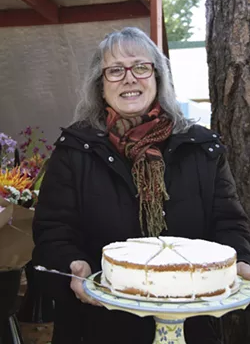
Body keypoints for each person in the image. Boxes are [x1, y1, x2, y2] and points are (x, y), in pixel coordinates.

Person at [32, 27, 250, 344]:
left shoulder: (201, 148)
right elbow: (53, 230)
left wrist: (240, 259)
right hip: (97, 326)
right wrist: (71, 265)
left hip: (189, 324)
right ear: (100, 84)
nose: (129, 78)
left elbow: (230, 223)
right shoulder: (75, 151)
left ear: (158, 77)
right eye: (115, 70)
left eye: (141, 67)